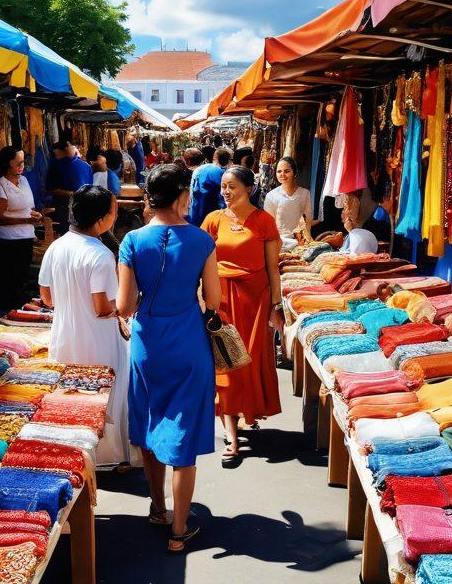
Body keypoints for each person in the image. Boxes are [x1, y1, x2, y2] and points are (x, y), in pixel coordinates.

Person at [117, 163, 221, 551]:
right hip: (188, 342)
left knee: (149, 421)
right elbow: (214, 300)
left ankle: (158, 508)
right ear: (182, 197)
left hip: (147, 343)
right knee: (184, 434)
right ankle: (179, 531)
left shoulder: (131, 240)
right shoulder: (201, 240)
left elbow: (125, 304)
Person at [39, 186, 132, 468]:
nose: (115, 217)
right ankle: (104, 458)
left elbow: (46, 297)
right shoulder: (101, 254)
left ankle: (73, 456)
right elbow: (103, 307)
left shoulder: (57, 246)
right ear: (101, 219)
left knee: (70, 397)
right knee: (103, 398)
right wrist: (128, 306)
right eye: (113, 212)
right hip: (98, 340)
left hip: (65, 334)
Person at [202, 165, 283, 464]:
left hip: (255, 300)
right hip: (221, 301)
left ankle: (246, 411)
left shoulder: (264, 221)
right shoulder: (212, 220)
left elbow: (273, 268)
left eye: (232, 186)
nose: (225, 191)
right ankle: (232, 437)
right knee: (227, 364)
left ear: (249, 188)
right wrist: (201, 298)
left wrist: (276, 306)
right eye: (223, 186)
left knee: (249, 361)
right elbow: (200, 263)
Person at [0, 145, 43, 310]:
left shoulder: (24, 180)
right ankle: (9, 309)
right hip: (8, 239)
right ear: (8, 165)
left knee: (21, 276)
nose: (22, 167)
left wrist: (34, 215)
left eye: (23, 163)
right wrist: (25, 220)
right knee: (10, 277)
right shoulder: (1, 185)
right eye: (18, 164)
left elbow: (26, 207)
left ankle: (18, 308)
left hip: (25, 236)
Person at [47, 138, 94, 234]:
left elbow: (50, 188)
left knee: (67, 232)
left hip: (66, 206)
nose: (55, 157)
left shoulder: (56, 166)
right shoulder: (86, 165)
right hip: (84, 205)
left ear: (62, 151)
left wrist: (72, 194)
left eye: (55, 154)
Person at [263, 156, 314, 241]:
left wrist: (307, 242)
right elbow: (268, 225)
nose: (282, 174)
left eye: (287, 171)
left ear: (294, 172)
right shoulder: (271, 196)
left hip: (299, 242)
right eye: (279, 171)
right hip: (279, 242)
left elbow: (307, 223)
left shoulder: (305, 193)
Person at [188, 146, 231, 226]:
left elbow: (193, 197)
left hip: (199, 217)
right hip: (217, 219)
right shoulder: (230, 174)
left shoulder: (200, 170)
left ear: (214, 158)